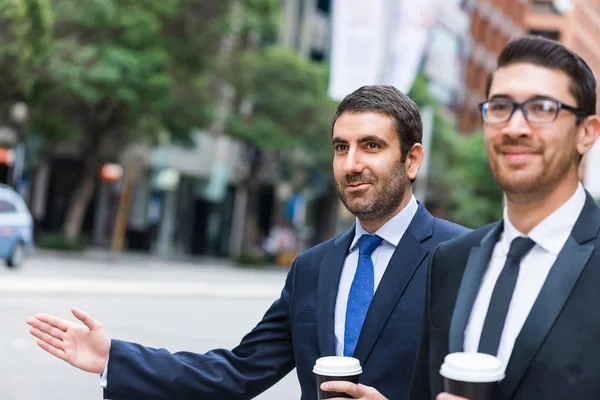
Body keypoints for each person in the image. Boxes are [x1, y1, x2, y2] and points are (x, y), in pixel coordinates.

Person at [26, 85, 469, 400]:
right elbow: (238, 373)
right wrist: (114, 359)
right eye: (340, 147)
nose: (351, 163)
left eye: (371, 146)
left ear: (411, 160)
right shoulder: (313, 268)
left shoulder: (465, 258)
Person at [408, 36, 600, 400]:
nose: (514, 127)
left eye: (542, 107)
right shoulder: (450, 261)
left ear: (586, 133)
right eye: (500, 106)